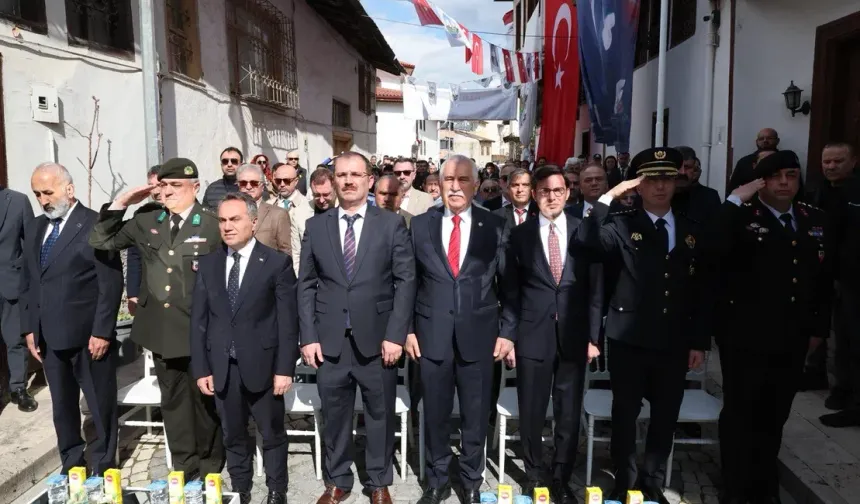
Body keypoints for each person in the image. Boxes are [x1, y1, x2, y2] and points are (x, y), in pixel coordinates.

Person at [572, 148, 710, 504]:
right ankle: (625, 478)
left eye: (667, 179)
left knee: (665, 414)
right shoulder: (621, 224)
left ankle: (650, 479)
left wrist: (698, 341)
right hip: (629, 338)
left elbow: (701, 290)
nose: (660, 187)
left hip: (674, 339)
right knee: (625, 412)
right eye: (651, 180)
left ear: (677, 182)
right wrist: (608, 196)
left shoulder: (693, 229)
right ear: (638, 185)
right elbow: (584, 243)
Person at [89, 158, 225, 479]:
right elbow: (100, 240)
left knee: (206, 403)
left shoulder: (212, 222)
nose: (169, 191)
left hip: (202, 330)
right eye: (164, 185)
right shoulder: (147, 219)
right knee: (174, 404)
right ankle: (184, 467)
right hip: (162, 331)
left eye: (177, 185)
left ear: (195, 187)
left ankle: (210, 466)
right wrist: (122, 203)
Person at [298, 152, 415, 504]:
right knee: (335, 415)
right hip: (330, 341)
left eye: (355, 175)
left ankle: (379, 481)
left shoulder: (390, 223)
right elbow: (305, 284)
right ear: (334, 181)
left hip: (377, 340)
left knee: (379, 413)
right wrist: (309, 336)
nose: (348, 181)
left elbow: (405, 281)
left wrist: (396, 335)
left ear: (368, 179)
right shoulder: (315, 226)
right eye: (342, 175)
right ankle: (338, 480)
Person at [715, 150, 832, 504]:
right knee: (741, 415)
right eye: (776, 176)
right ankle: (735, 489)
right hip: (745, 336)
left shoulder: (814, 219)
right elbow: (710, 250)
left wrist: (818, 329)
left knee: (775, 414)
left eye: (791, 175)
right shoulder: (739, 216)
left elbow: (823, 281)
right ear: (760, 182)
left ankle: (764, 488)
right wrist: (735, 200)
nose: (784, 182)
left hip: (793, 337)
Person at [406, 155, 515, 504]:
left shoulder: (495, 226)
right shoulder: (420, 225)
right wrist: (407, 330)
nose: (455, 186)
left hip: (480, 336)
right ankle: (436, 479)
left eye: (463, 179)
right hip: (431, 335)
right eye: (449, 179)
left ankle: (470, 478)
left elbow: (510, 285)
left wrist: (507, 332)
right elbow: (409, 282)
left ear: (475, 184)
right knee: (435, 412)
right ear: (438, 182)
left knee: (475, 411)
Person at [190, 193, 298, 504]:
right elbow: (199, 321)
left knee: (273, 433)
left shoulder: (276, 263)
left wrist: (283, 369)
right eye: (222, 220)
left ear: (253, 222)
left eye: (234, 219)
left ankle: (277, 491)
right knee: (233, 434)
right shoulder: (208, 265)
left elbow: (287, 322)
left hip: (264, 366)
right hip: (223, 367)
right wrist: (202, 369)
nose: (227, 226)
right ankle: (241, 489)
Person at [504, 165, 603, 503]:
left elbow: (594, 289)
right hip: (532, 335)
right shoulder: (519, 235)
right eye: (544, 191)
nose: (551, 197)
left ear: (567, 193)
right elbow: (510, 291)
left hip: (574, 336)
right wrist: (510, 337)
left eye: (557, 190)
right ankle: (533, 473)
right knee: (531, 410)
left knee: (569, 411)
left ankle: (561, 474)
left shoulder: (583, 231)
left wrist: (594, 337)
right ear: (534, 194)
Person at [21, 163, 123, 474]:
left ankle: (106, 464)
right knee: (63, 408)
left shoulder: (94, 225)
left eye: (48, 192)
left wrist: (103, 331)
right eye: (37, 193)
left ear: (69, 189)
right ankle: (72, 462)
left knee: (100, 405)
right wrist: (29, 329)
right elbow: (30, 281)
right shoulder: (37, 228)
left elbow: (111, 283)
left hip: (88, 337)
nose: (43, 199)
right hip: (49, 338)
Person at [812, 143, 860, 424]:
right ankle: (839, 389)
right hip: (827, 275)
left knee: (854, 341)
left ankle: (856, 402)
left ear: (853, 161)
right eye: (826, 161)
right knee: (836, 338)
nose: (831, 166)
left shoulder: (855, 192)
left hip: (853, 278)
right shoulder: (819, 191)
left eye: (838, 161)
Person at [0, 182, 35, 411]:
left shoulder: (18, 200)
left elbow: (30, 244)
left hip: (10, 282)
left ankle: (18, 388)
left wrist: (23, 274)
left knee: (15, 339)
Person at [126, 166, 164, 317]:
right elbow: (134, 255)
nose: (155, 191)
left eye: (159, 185)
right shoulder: (143, 215)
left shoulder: (189, 214)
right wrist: (132, 294)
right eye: (151, 186)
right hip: (149, 293)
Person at [268, 162, 314, 276]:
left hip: (300, 268)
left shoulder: (309, 207)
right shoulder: (268, 206)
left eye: (287, 180)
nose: (282, 184)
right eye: (278, 181)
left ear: (296, 181)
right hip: (275, 269)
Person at [236, 164, 291, 255]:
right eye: (243, 183)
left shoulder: (278, 214)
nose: (248, 187)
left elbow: (286, 252)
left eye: (254, 183)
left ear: (262, 186)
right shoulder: (230, 213)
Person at [672, 147, 721, 225]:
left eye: (687, 167)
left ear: (694, 170)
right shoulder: (658, 195)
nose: (682, 172)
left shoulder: (709, 197)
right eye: (677, 167)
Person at [728, 128, 780, 193]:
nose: (765, 141)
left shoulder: (786, 159)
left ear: (777, 140)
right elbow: (732, 189)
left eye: (769, 138)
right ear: (756, 142)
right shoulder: (744, 162)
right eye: (761, 139)